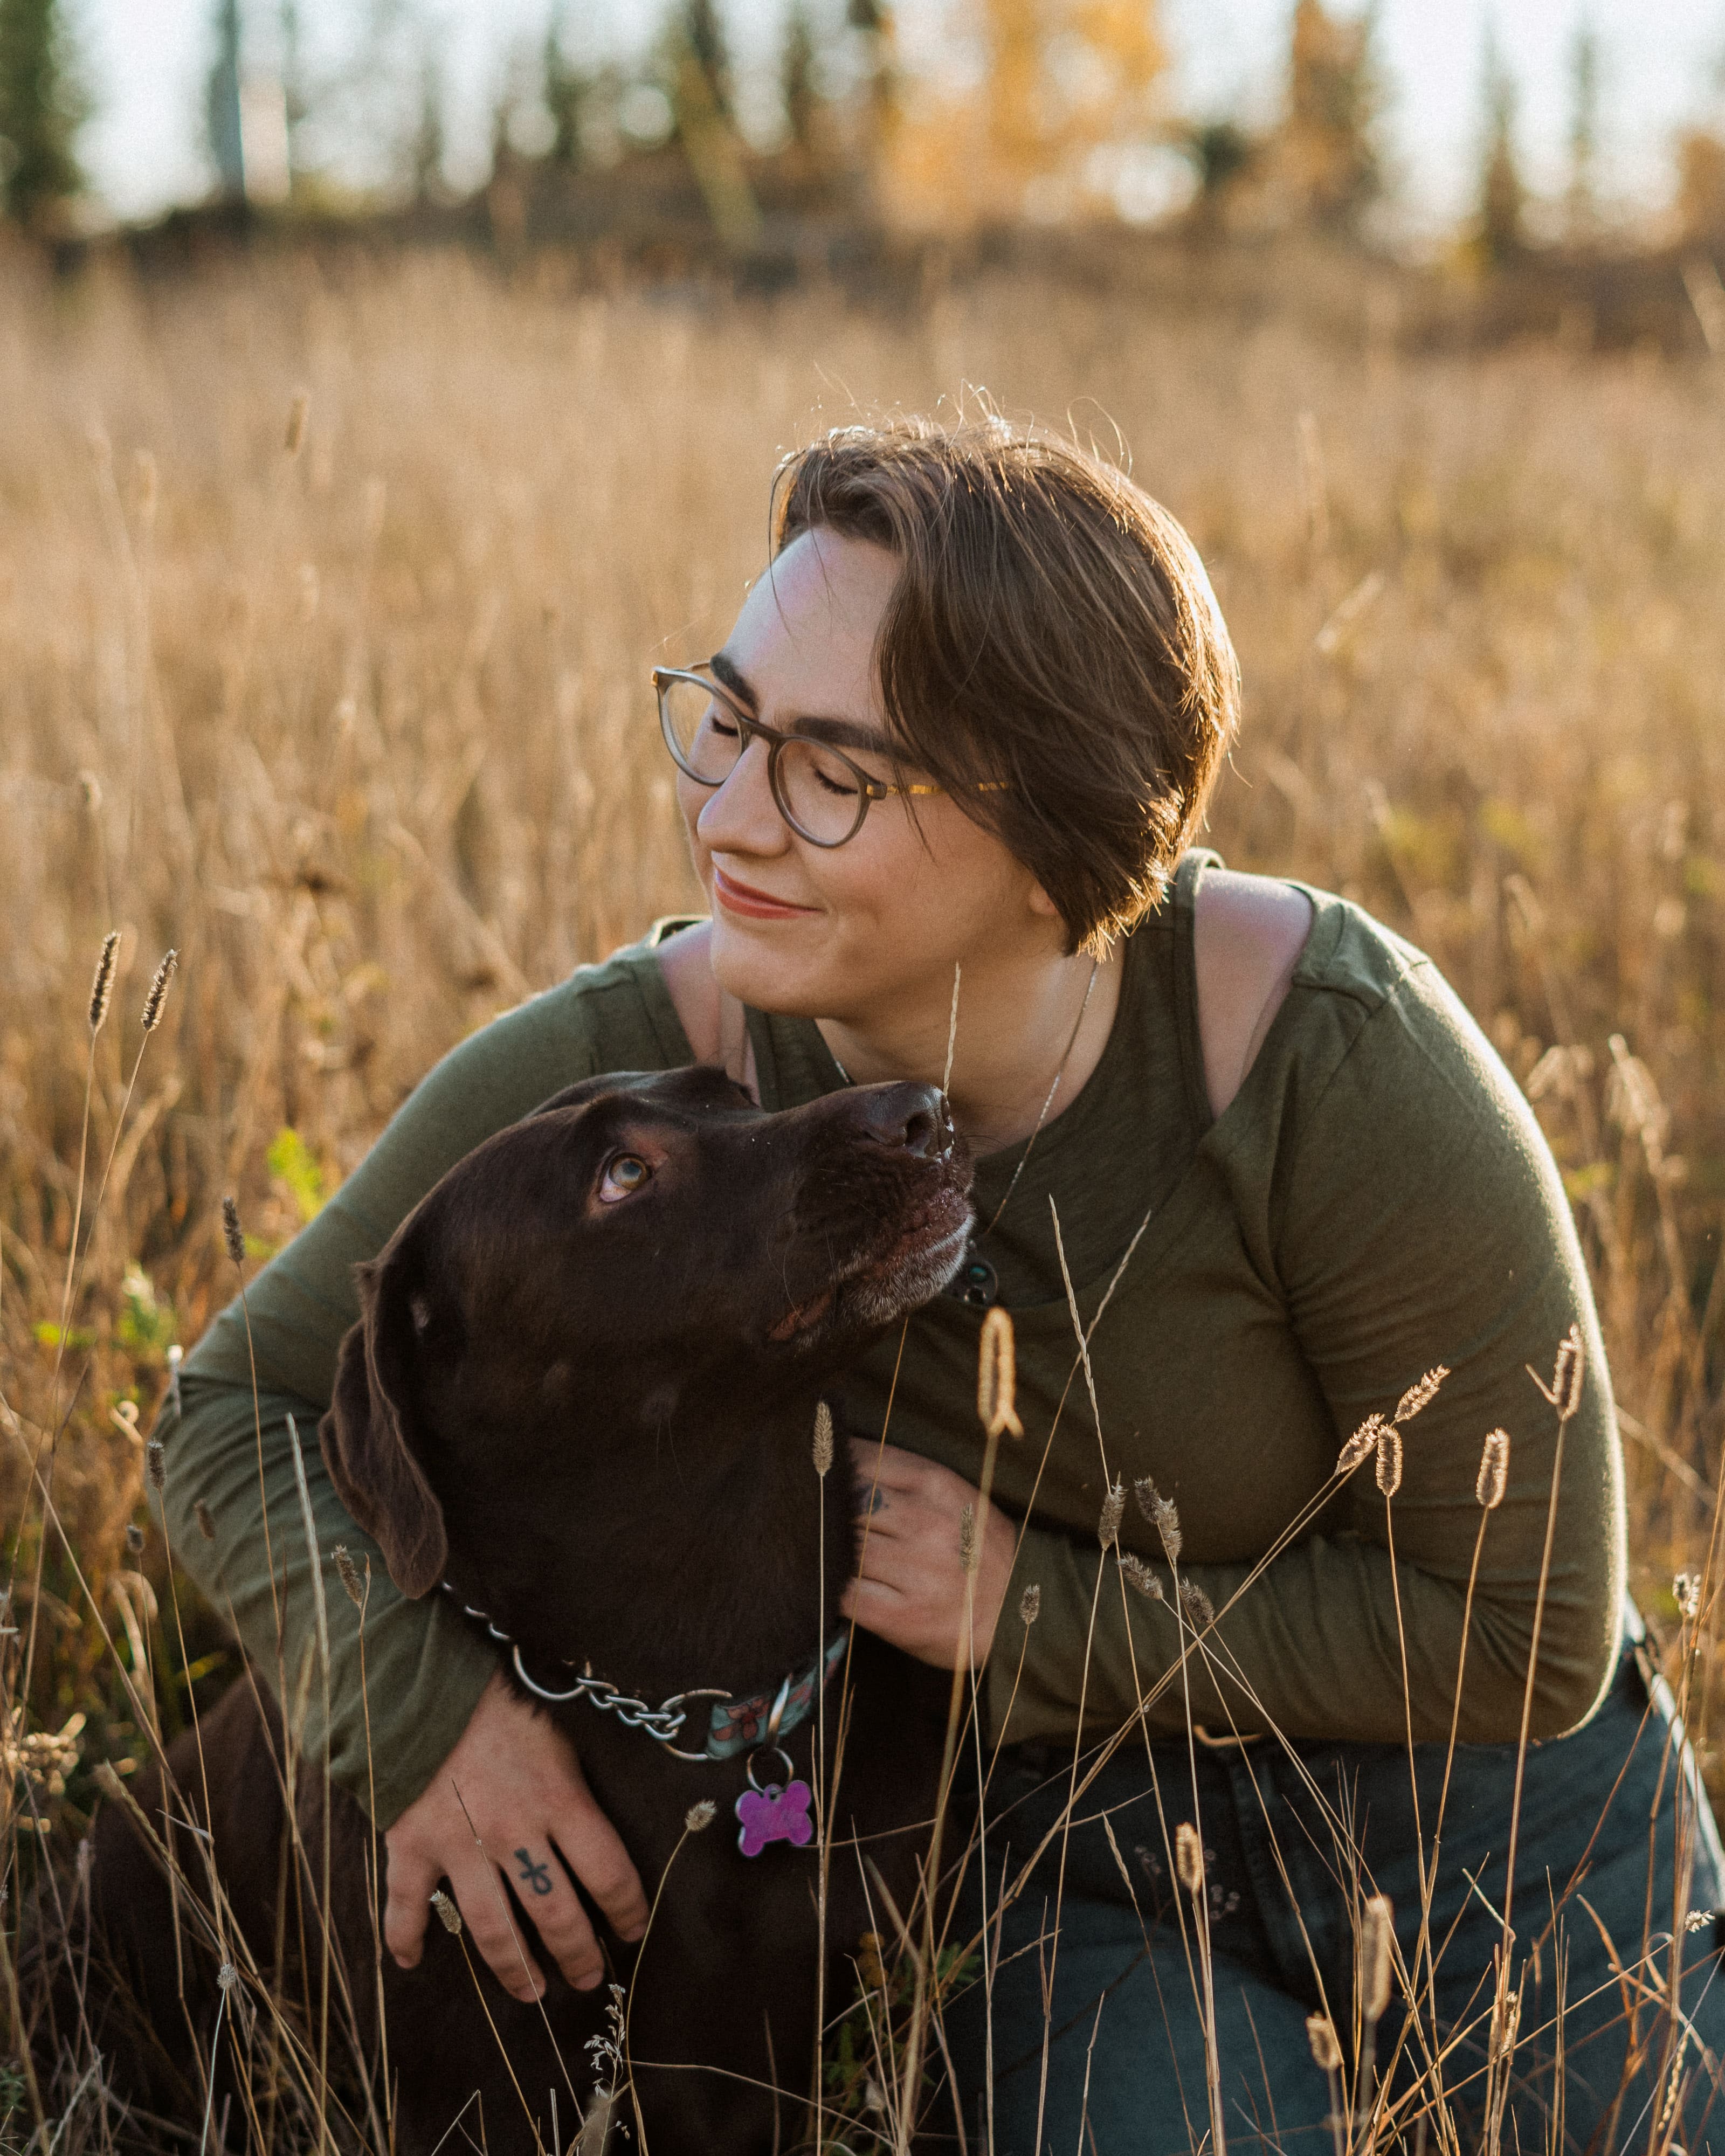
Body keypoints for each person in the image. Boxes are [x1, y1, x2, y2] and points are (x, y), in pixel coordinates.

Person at [163, 416, 1725, 2152]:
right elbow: (229, 1409)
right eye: (731, 719)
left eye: (834, 771)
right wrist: (424, 1721)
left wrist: (1033, 1613)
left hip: (1477, 1796)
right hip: (1059, 1836)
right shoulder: (637, 1066)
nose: (730, 815)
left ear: (1055, 839)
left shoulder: (1325, 1066)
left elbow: (1534, 1637)